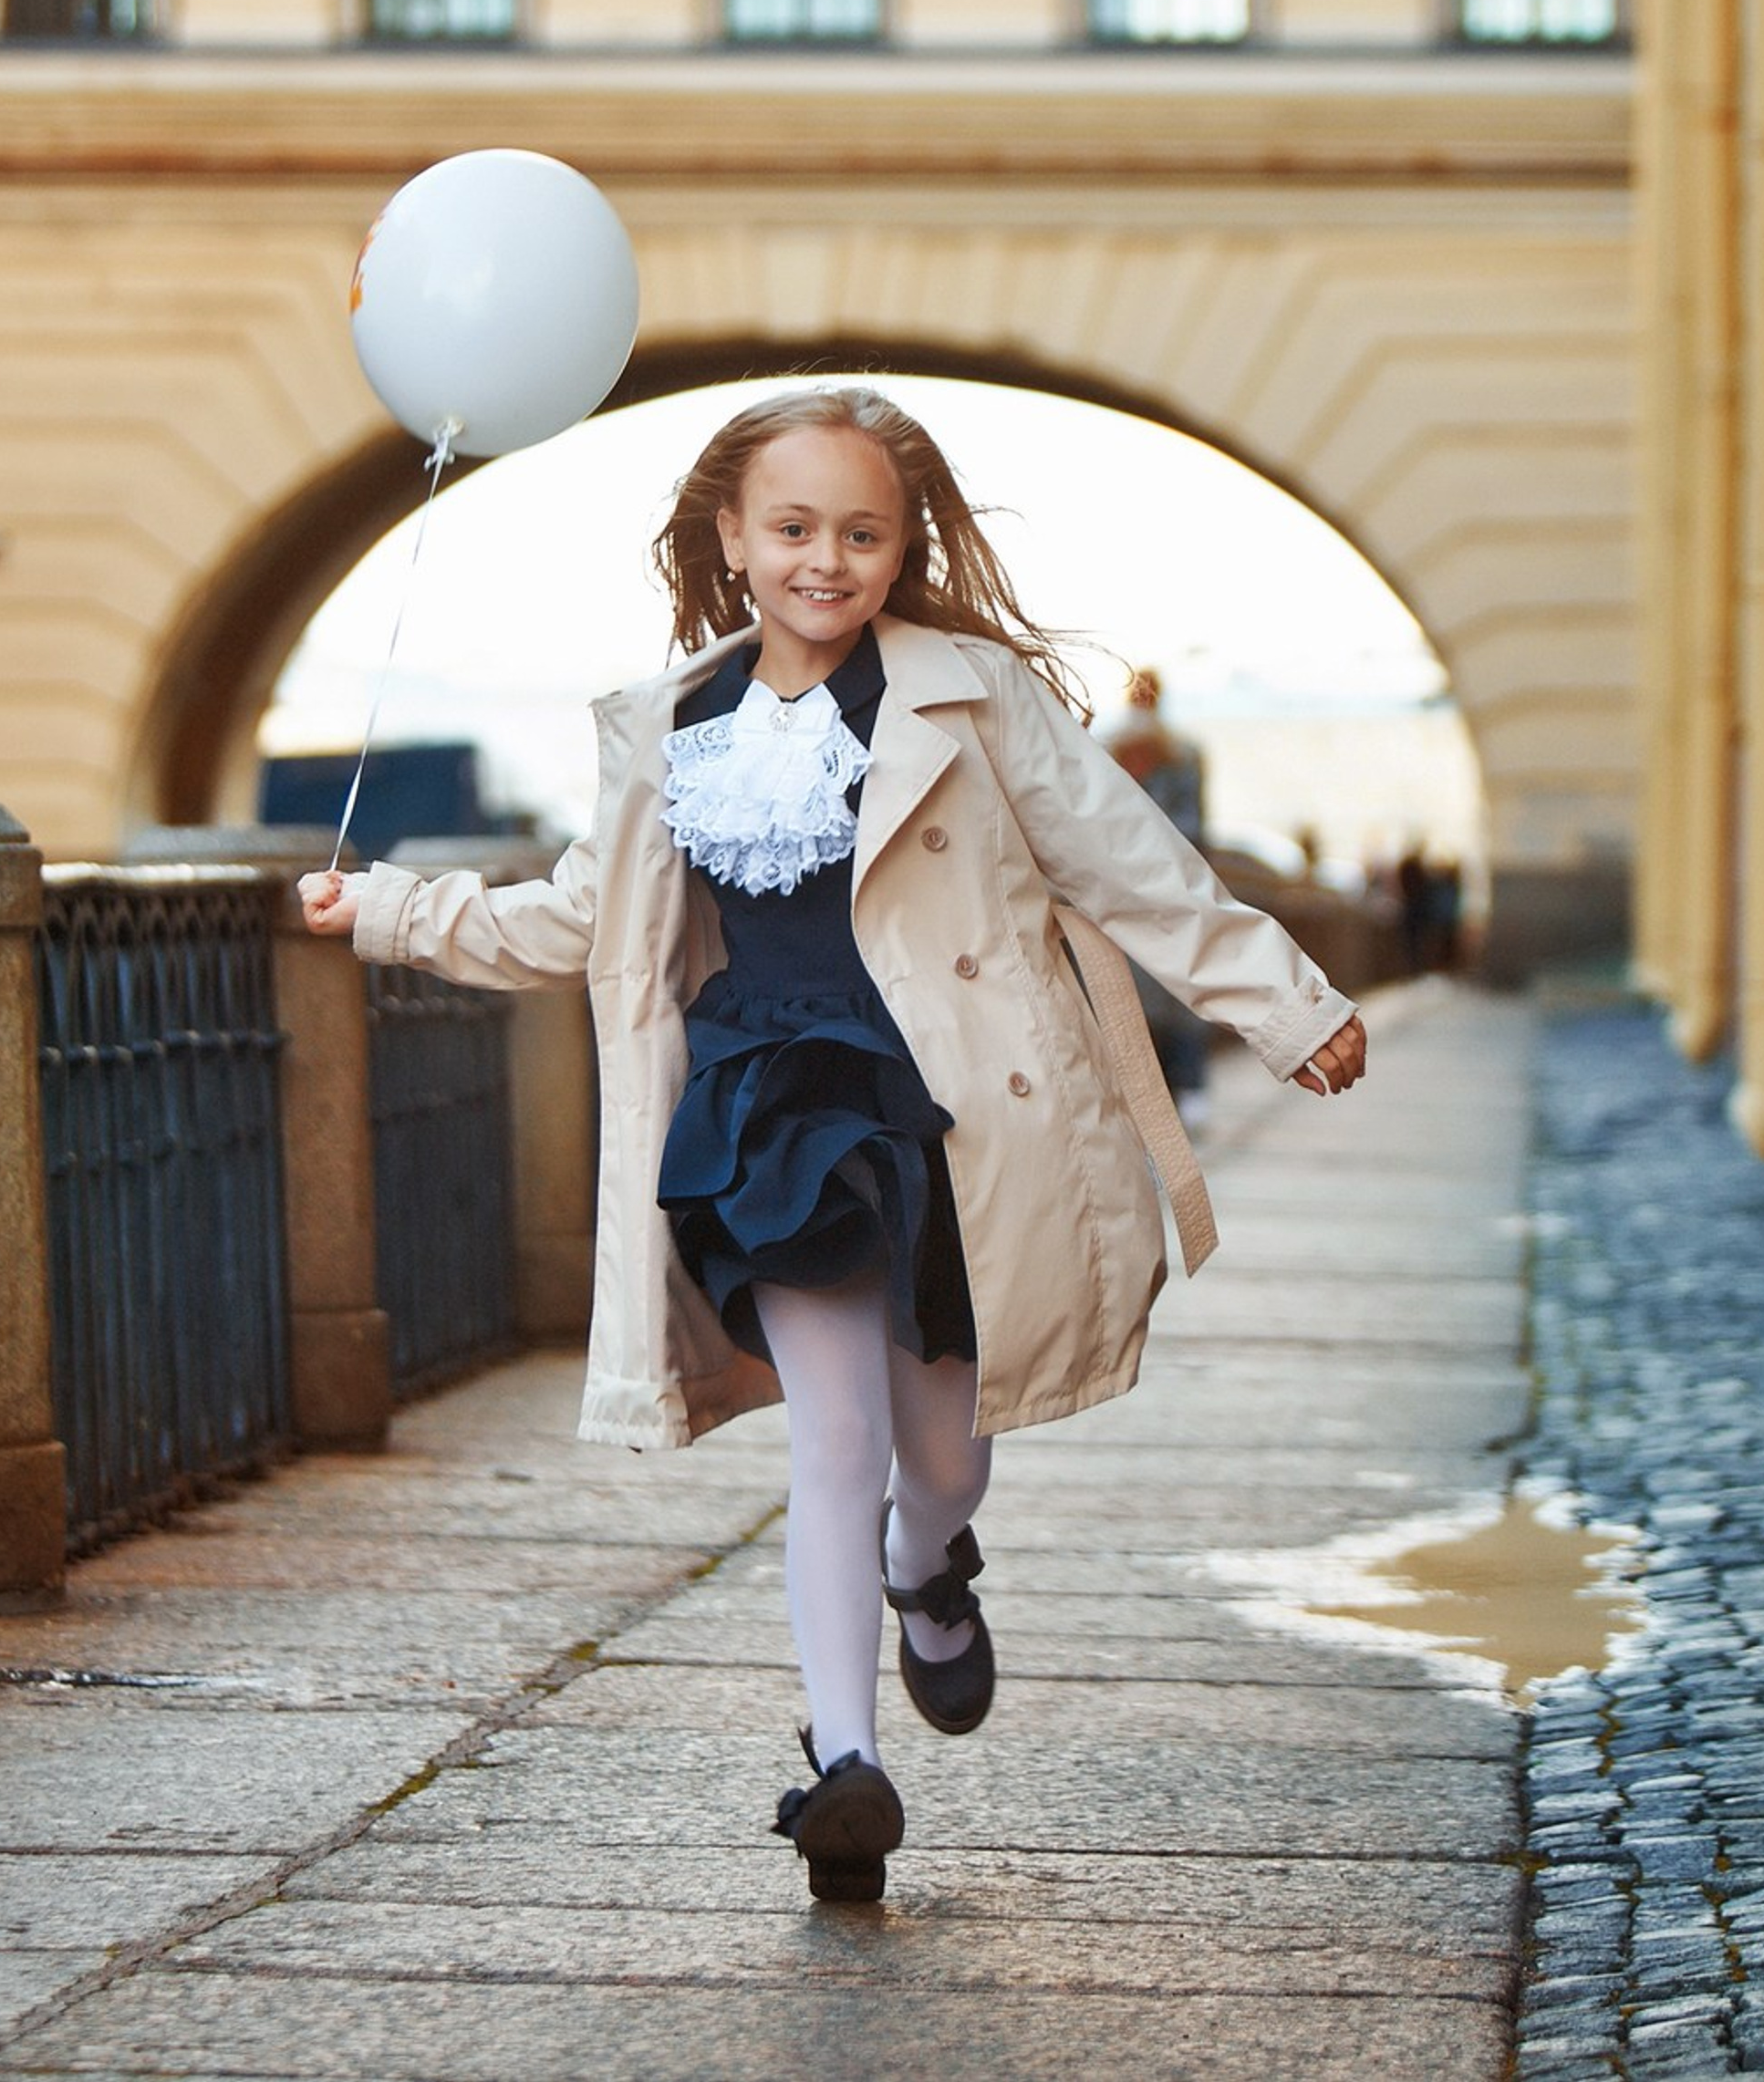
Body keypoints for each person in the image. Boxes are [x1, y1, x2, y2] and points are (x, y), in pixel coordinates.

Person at [298, 385, 1367, 1904]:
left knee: (941, 1446)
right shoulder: (669, 726)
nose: (826, 560)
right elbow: (573, 923)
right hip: (766, 1106)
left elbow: (1132, 867)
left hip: (951, 1108)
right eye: (793, 528)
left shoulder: (973, 697)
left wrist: (1285, 1000)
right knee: (835, 1434)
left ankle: (932, 1569)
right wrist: (390, 912)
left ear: (901, 543)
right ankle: (845, 1765)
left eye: (862, 532)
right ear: (731, 536)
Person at [1102, 667, 1215, 1134]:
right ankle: (1171, 1094)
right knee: (1162, 996)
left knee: (1170, 996)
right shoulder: (1176, 750)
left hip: (1146, 889)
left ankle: (1176, 1092)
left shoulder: (1169, 752)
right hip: (1147, 890)